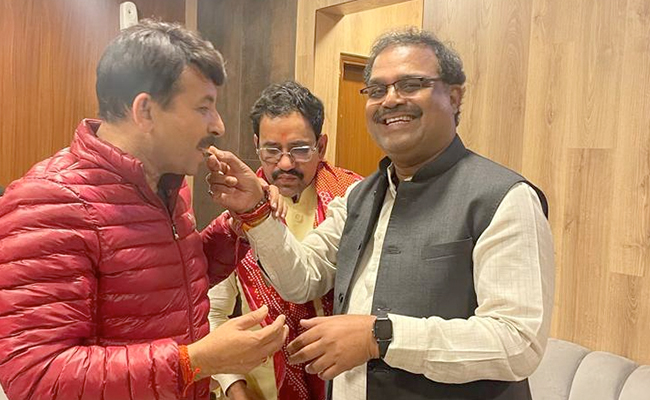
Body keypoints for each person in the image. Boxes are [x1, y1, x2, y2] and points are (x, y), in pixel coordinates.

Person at [205, 28, 555, 400]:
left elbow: (518, 342)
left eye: (410, 84)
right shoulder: (359, 196)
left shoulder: (503, 198)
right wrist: (255, 210)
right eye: (376, 89)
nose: (390, 100)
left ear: (454, 97)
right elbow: (302, 279)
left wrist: (380, 337)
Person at [0, 20, 288, 400]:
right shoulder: (48, 200)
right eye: (204, 108)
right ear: (145, 111)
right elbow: (37, 376)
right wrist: (194, 362)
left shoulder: (168, 186)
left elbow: (165, 283)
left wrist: (238, 223)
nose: (218, 125)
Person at [206, 81, 362, 400]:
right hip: (257, 388)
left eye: (300, 150)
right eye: (272, 150)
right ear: (256, 145)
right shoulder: (237, 214)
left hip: (342, 383)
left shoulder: (355, 202)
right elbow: (212, 312)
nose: (286, 163)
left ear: (321, 145)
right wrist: (234, 386)